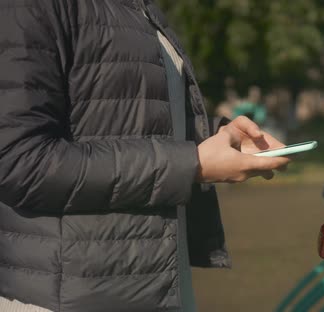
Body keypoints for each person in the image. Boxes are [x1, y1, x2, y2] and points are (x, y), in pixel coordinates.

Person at [0, 1, 289, 311]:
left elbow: (132, 121)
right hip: (73, 297)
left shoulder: (137, 8)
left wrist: (222, 139)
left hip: (156, 287)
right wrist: (193, 164)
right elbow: (19, 160)